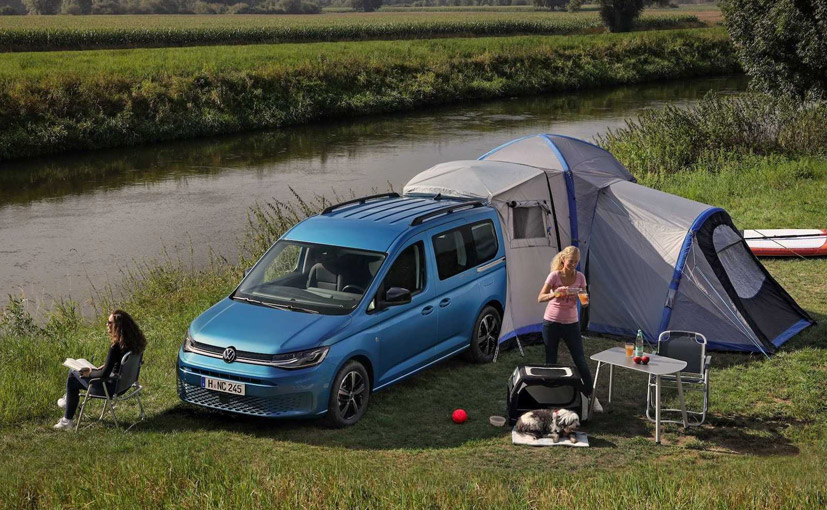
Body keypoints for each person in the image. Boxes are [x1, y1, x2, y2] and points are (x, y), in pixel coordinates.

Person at [54, 310, 147, 430]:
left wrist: (90, 372)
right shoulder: (135, 343)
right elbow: (120, 363)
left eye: (109, 322)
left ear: (118, 326)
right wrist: (105, 366)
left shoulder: (116, 347)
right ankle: (68, 401)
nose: (107, 325)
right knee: (80, 364)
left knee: (72, 375)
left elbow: (103, 374)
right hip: (125, 384)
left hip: (110, 388)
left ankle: (67, 418)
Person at [537, 246, 593, 394]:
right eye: (570, 261)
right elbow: (540, 297)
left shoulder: (580, 277)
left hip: (571, 323)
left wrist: (584, 300)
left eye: (576, 262)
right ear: (563, 259)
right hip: (551, 322)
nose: (573, 264)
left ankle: (589, 393)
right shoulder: (554, 276)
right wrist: (555, 294)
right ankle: (549, 392)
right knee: (551, 359)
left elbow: (585, 299)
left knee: (579, 359)